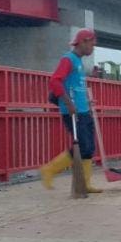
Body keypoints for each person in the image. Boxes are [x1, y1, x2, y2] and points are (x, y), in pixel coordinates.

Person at [40, 28, 101, 193]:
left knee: (88, 148)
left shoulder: (79, 61)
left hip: (83, 110)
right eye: (92, 45)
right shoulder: (68, 59)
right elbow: (55, 82)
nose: (93, 48)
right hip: (73, 112)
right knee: (82, 147)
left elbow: (74, 86)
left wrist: (87, 101)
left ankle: (86, 184)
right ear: (83, 42)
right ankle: (50, 169)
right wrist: (69, 104)